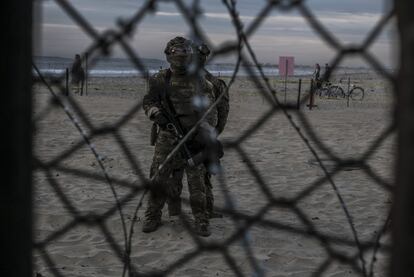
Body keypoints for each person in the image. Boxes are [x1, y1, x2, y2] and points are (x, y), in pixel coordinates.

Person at [142, 36, 221, 237]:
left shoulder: (199, 81)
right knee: (159, 176)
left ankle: (201, 220)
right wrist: (155, 114)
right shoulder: (160, 79)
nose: (180, 57)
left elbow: (211, 110)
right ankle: (153, 215)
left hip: (194, 137)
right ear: (169, 55)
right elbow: (148, 101)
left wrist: (202, 131)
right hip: (167, 136)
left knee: (196, 181)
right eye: (176, 53)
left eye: (184, 53)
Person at [166, 42, 229, 219]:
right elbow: (223, 111)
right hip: (189, 133)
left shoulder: (185, 78)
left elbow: (222, 110)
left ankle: (186, 209)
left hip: (194, 134)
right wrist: (216, 131)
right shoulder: (204, 80)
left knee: (191, 173)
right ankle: (192, 210)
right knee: (190, 174)